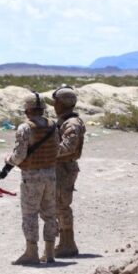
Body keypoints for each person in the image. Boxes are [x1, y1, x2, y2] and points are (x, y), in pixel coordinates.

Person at [7, 93, 59, 265]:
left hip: (32, 176)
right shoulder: (53, 126)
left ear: (27, 109)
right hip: (50, 174)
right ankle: (50, 252)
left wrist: (9, 160)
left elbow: (20, 155)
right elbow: (56, 150)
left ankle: (32, 253)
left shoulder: (25, 128)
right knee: (50, 213)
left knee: (30, 214)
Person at [52, 86, 86, 258]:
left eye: (56, 102)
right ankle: (64, 242)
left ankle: (67, 244)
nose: (54, 105)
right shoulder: (65, 121)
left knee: (61, 205)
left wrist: (46, 151)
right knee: (57, 205)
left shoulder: (71, 123)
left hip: (64, 168)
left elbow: (68, 147)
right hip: (61, 167)